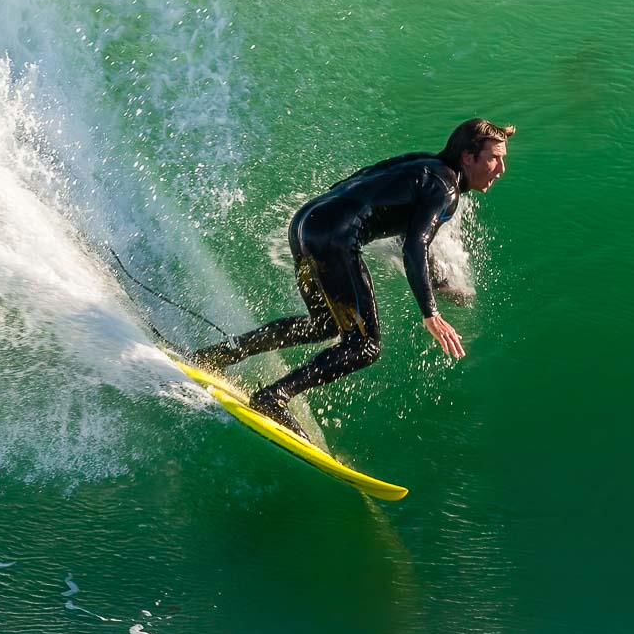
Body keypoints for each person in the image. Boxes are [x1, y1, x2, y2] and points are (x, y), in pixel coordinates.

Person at [189, 118, 514, 439]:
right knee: (365, 345)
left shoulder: (421, 165)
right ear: (468, 157)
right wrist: (431, 313)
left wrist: (439, 284)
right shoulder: (445, 190)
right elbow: (416, 243)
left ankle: (216, 356)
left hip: (305, 225)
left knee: (324, 324)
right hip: (334, 238)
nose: (500, 169)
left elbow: (403, 229)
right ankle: (274, 397)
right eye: (494, 158)